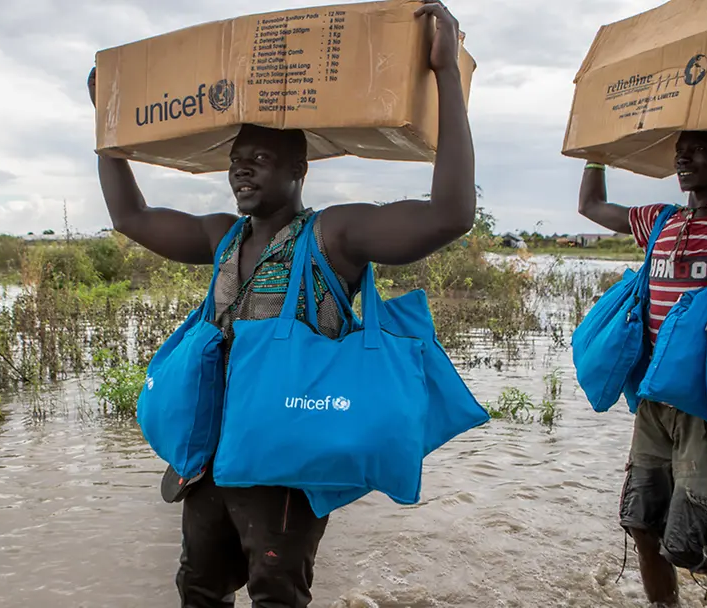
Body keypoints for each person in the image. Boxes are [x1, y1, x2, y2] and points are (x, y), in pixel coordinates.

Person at [87, 1, 476, 606]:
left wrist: (446, 76)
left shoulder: (333, 237)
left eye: (259, 162)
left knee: (277, 593)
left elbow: (449, 216)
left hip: (288, 461)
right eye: (236, 164)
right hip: (212, 459)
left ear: (299, 169)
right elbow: (131, 216)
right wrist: (107, 128)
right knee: (198, 586)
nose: (242, 174)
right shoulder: (223, 238)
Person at [578, 130, 707, 607]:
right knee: (641, 525)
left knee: (689, 546)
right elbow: (591, 206)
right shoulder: (659, 220)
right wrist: (594, 150)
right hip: (656, 400)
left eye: (700, 147)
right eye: (681, 147)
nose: (683, 156)